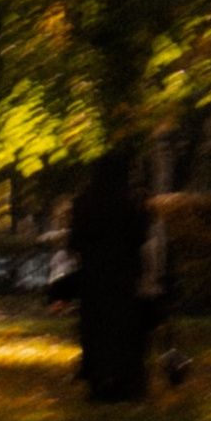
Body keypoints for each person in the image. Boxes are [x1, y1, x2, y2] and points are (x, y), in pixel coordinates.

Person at [67, 149, 156, 405]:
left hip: (92, 278)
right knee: (124, 332)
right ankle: (126, 384)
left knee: (96, 331)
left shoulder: (83, 202)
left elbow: (75, 242)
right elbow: (140, 237)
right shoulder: (128, 202)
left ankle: (98, 383)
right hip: (123, 277)